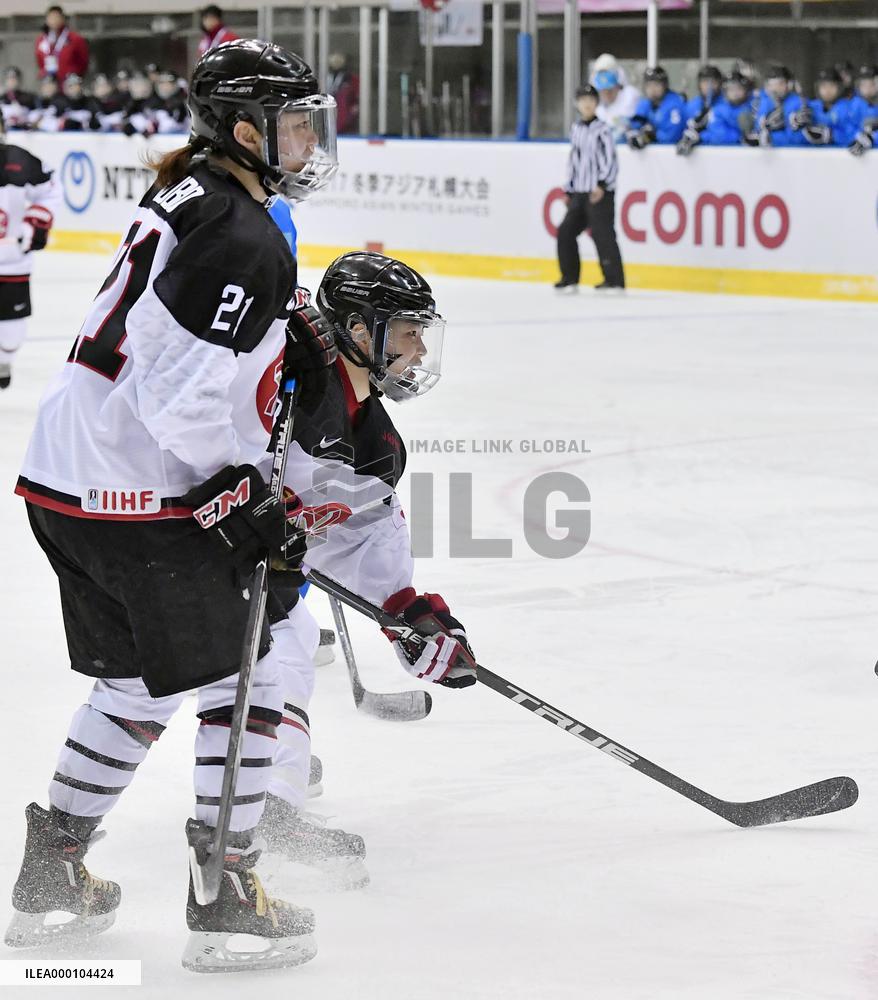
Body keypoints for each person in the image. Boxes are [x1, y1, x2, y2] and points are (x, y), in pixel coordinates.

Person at [5, 38, 340, 974]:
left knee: (136, 681)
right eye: (296, 122)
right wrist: (238, 496)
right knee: (254, 674)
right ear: (245, 128)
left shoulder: (193, 190)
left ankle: (54, 874)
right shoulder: (242, 232)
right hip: (141, 489)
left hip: (68, 476)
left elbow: (164, 351)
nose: (310, 140)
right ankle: (226, 897)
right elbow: (185, 402)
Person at [0, 116, 61, 390]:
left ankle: (3, 361)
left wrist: (33, 223)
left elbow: (51, 191)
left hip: (12, 262)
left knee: (10, 334)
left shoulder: (20, 161)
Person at [555, 84, 624, 292]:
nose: (587, 104)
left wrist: (602, 184)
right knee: (565, 232)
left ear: (596, 104)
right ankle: (570, 277)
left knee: (603, 234)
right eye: (583, 100)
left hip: (599, 192)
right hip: (580, 191)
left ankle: (614, 280)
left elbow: (610, 160)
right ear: (577, 104)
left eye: (591, 100)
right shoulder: (576, 129)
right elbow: (574, 160)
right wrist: (569, 188)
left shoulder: (603, 129)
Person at [626, 66, 686, 148]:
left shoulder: (675, 105)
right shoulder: (645, 104)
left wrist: (654, 136)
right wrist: (635, 134)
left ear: (665, 85)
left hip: (673, 156)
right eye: (649, 85)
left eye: (656, 85)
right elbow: (635, 125)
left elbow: (673, 136)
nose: (652, 89)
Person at [792, 67, 852, 147]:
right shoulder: (811, 106)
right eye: (823, 86)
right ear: (818, 88)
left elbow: (853, 135)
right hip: (814, 157)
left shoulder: (848, 108)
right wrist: (795, 122)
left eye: (832, 86)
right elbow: (795, 139)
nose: (827, 90)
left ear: (839, 88)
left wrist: (832, 135)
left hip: (839, 157)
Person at [698, 70, 758, 148]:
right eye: (731, 89)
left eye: (739, 88)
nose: (735, 93)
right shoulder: (718, 110)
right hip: (724, 153)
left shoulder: (754, 106)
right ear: (725, 91)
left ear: (746, 90)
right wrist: (740, 138)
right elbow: (718, 134)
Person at [35, 6, 89, 84]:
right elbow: (40, 63)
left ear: (63, 19)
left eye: (56, 17)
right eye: (51, 17)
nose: (54, 20)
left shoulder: (75, 39)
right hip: (49, 83)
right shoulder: (41, 40)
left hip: (69, 82)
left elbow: (83, 62)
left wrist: (75, 74)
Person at [755, 65, 806, 147]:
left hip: (795, 154)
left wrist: (773, 136)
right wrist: (762, 128)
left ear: (789, 84)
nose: (775, 89)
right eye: (771, 84)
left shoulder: (800, 102)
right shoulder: (765, 102)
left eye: (780, 84)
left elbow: (800, 139)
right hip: (770, 155)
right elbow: (758, 131)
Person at [677, 64, 722, 155]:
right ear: (699, 84)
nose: (709, 86)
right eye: (705, 82)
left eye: (713, 82)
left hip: (721, 154)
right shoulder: (692, 106)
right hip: (696, 159)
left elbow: (722, 134)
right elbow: (682, 130)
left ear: (719, 84)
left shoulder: (725, 104)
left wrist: (701, 137)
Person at [593, 67, 641, 143]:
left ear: (617, 87)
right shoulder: (598, 110)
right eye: (603, 91)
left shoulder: (629, 97)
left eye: (609, 90)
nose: (606, 94)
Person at [845, 64, 877, 156]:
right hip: (857, 156)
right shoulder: (854, 104)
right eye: (864, 84)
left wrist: (873, 138)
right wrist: (858, 137)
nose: (867, 88)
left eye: (872, 84)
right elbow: (847, 127)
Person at [326, 52, 359, 134]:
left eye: (338, 60)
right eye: (334, 60)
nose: (336, 63)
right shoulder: (326, 76)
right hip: (330, 112)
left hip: (344, 119)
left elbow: (355, 98)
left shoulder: (351, 79)